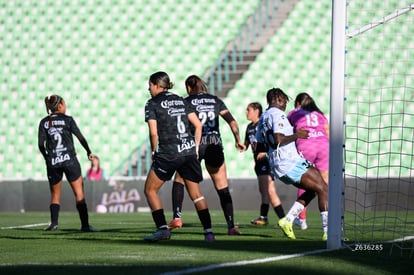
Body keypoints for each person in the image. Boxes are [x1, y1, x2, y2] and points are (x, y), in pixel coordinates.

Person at [168, 75, 245, 235]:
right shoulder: (215, 100)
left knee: (180, 178)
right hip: (214, 143)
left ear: (189, 88)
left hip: (194, 144)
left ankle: (177, 217)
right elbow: (232, 121)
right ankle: (230, 226)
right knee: (222, 186)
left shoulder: (186, 101)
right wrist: (238, 139)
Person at [143, 71, 215, 242]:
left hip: (169, 152)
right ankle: (209, 232)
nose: (148, 88)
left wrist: (154, 151)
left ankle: (162, 230)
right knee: (196, 194)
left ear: (156, 85)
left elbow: (153, 133)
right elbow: (198, 125)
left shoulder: (152, 103)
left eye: (150, 84)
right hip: (189, 150)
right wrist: (195, 148)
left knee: (150, 190)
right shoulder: (180, 100)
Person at [255, 88, 328, 241]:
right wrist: (297, 135)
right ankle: (329, 232)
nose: (286, 105)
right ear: (279, 98)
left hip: (278, 166)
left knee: (313, 190)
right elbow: (278, 139)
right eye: (285, 101)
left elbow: (258, 146)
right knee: (324, 189)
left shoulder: (263, 117)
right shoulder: (278, 114)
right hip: (289, 161)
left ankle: (287, 220)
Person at [38, 94, 98, 232]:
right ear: (60, 105)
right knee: (79, 194)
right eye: (64, 103)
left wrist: (46, 157)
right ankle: (85, 225)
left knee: (55, 195)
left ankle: (54, 223)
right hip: (70, 160)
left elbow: (41, 144)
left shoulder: (44, 122)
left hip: (53, 161)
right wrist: (88, 151)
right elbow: (80, 137)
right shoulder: (68, 120)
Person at [287, 92, 330, 230]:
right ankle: (328, 227)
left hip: (306, 145)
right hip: (324, 146)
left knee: (305, 181)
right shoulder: (320, 114)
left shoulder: (295, 112)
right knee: (323, 187)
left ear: (298, 103)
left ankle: (301, 219)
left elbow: (286, 130)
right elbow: (328, 132)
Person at [243, 102, 285, 225]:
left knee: (270, 190)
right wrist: (242, 145)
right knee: (264, 190)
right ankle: (263, 217)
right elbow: (247, 144)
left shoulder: (262, 125)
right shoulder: (249, 127)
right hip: (258, 162)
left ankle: (284, 219)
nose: (246, 112)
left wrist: (265, 152)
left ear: (256, 111)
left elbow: (271, 142)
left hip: (267, 161)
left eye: (248, 110)